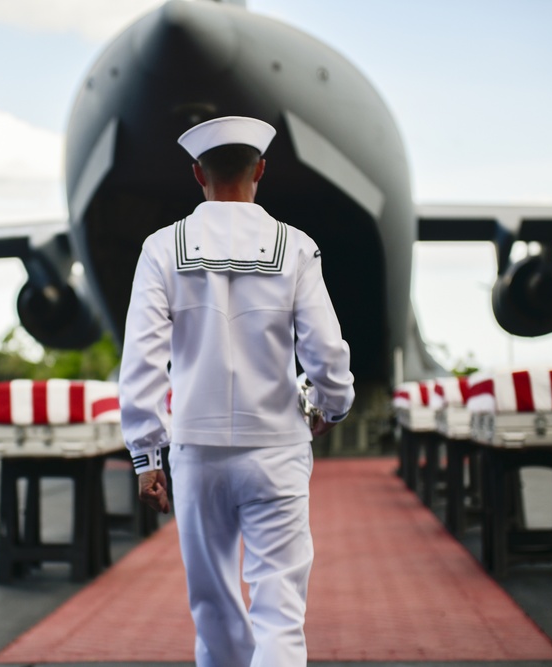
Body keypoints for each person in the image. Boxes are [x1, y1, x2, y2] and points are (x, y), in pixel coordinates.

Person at [119, 116, 355, 667]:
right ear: (261, 171)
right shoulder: (294, 247)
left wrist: (145, 455)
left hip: (197, 452)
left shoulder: (161, 249)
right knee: (280, 610)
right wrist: (329, 405)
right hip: (276, 447)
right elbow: (326, 350)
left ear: (197, 172)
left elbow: (143, 361)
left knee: (215, 609)